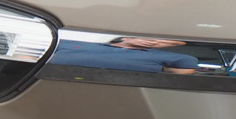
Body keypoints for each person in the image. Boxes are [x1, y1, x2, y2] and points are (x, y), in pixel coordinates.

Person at [49, 36, 201, 74]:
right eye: (152, 36)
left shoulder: (163, 58)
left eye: (166, 42)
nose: (155, 41)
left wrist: (163, 69)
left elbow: (187, 68)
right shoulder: (78, 41)